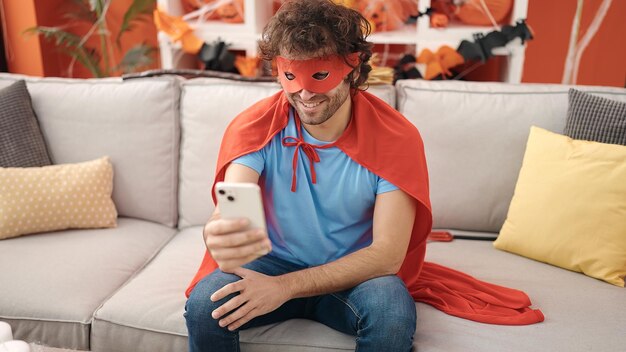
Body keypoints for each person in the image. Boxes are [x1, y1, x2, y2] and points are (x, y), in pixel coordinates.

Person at [183, 0, 434, 351]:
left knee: (390, 312)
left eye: (320, 76)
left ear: (352, 67)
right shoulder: (256, 129)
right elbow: (235, 209)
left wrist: (285, 287)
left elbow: (387, 255)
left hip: (353, 274)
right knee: (205, 306)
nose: (304, 93)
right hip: (270, 263)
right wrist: (222, 231)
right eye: (291, 77)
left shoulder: (395, 139)